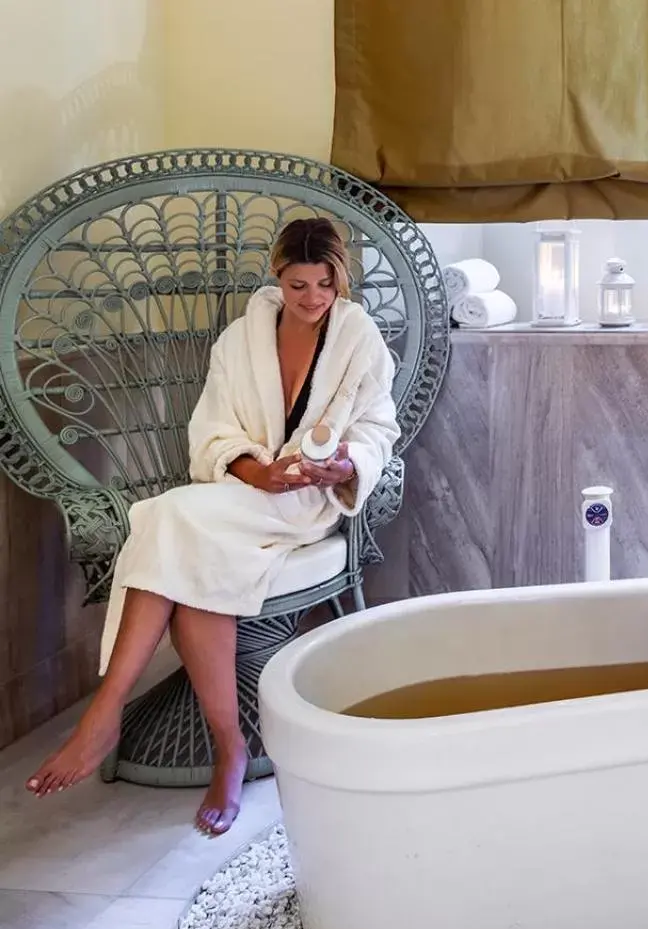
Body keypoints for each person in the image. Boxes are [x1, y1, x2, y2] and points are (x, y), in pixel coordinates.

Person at [25, 218, 401, 835]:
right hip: (243, 490)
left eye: (325, 285)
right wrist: (254, 471)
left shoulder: (359, 337)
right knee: (191, 551)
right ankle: (228, 749)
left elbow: (377, 429)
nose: (312, 299)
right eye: (299, 283)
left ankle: (105, 712)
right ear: (277, 276)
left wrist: (342, 464)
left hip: (306, 498)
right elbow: (211, 428)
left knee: (168, 519)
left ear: (340, 281)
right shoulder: (239, 340)